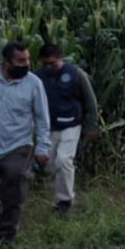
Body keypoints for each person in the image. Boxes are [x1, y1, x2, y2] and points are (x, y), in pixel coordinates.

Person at [0, 42, 51, 246]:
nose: (26, 64)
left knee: (14, 184)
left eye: (27, 59)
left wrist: (42, 147)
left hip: (18, 145)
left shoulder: (33, 83)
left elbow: (42, 118)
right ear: (6, 62)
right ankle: (0, 220)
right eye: (21, 60)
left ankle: (7, 238)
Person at [34, 43, 100, 216]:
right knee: (50, 165)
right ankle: (56, 202)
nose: (49, 67)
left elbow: (90, 101)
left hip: (72, 125)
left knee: (63, 160)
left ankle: (65, 201)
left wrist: (92, 125)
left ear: (60, 59)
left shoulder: (76, 74)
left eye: (53, 63)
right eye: (45, 64)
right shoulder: (37, 77)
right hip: (48, 127)